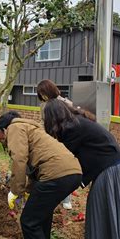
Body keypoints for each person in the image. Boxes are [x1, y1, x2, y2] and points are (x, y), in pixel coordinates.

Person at [43, 99, 120, 239]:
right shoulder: (75, 121)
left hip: (110, 167)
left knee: (100, 209)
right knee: (95, 206)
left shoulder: (72, 129)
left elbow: (64, 156)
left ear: (53, 118)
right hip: (108, 164)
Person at [0, 111, 82, 239]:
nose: (1, 138)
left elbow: (19, 159)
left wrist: (15, 191)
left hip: (56, 174)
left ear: (4, 129)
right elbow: (36, 169)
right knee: (43, 212)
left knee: (29, 221)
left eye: (0, 134)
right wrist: (27, 190)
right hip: (73, 172)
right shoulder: (34, 129)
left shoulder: (15, 127)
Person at [36, 79, 74, 209]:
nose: (43, 97)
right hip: (49, 139)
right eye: (41, 94)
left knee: (65, 167)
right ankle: (53, 196)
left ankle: (66, 199)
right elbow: (42, 121)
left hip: (64, 139)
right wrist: (40, 133)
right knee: (51, 167)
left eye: (43, 93)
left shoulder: (64, 103)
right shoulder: (43, 105)